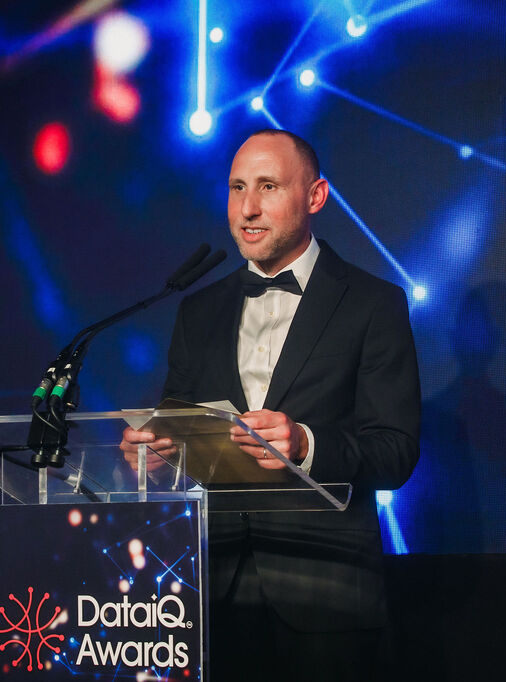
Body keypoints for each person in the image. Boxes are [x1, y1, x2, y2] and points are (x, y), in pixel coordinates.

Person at [121, 129, 421, 680]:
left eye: (268, 186)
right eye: (237, 188)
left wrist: (305, 444)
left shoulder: (373, 304)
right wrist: (158, 457)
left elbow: (395, 452)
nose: (248, 209)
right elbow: (179, 430)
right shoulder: (197, 311)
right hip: (211, 593)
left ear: (315, 196)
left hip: (325, 592)